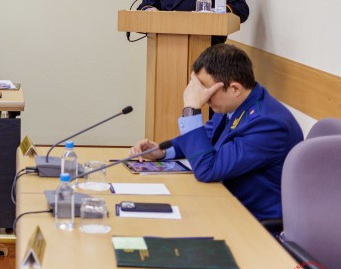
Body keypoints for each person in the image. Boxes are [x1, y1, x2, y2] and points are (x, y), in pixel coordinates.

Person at [130, 44, 303, 221]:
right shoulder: (234, 104)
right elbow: (205, 138)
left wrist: (191, 108)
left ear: (235, 89)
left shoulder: (267, 124)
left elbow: (207, 169)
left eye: (207, 90)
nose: (203, 98)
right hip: (225, 202)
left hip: (253, 221)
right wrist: (163, 152)